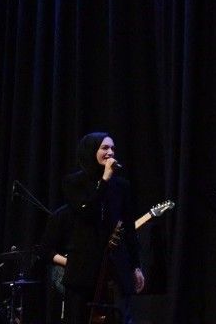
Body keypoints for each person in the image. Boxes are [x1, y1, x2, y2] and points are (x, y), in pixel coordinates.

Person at [61, 132, 144, 324]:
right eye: (105, 148)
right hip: (84, 268)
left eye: (113, 148)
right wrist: (104, 180)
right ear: (91, 150)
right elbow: (87, 212)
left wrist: (136, 266)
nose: (110, 152)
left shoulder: (122, 186)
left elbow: (129, 229)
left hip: (116, 267)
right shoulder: (74, 182)